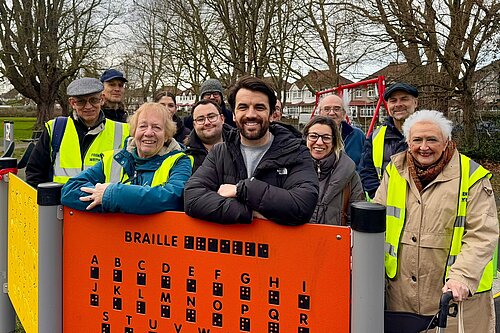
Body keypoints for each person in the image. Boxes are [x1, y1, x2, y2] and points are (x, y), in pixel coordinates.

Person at [374, 110, 498, 332]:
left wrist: (463, 277)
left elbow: (483, 234)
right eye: (417, 140)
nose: (424, 147)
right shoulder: (394, 171)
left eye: (432, 139)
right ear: (407, 142)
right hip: (401, 297)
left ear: (446, 141)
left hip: (455, 299)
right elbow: (376, 218)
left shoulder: (472, 176)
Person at [184, 76, 319, 225]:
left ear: (272, 114)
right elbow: (192, 197)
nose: (250, 114)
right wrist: (248, 212)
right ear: (234, 115)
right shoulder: (220, 153)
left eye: (259, 107)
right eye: (243, 107)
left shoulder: (296, 152)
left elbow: (302, 205)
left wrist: (242, 190)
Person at [61, 102, 192, 214]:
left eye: (157, 127)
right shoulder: (114, 159)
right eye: (143, 126)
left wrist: (112, 196)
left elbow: (174, 197)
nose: (148, 133)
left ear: (167, 135)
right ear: (134, 131)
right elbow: (70, 190)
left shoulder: (180, 161)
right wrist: (119, 204)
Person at [26, 78, 129, 188]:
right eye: (81, 102)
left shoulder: (123, 131)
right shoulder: (55, 128)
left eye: (93, 100)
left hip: (104, 203)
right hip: (60, 204)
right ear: (72, 103)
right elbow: (35, 173)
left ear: (101, 99)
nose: (88, 106)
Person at [359, 82, 418, 198]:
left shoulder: (430, 132)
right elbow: (366, 171)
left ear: (415, 102)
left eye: (404, 99)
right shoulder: (376, 136)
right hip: (386, 206)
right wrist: (379, 196)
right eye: (393, 100)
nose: (398, 104)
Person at [303, 116, 364, 225]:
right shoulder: (292, 170)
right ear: (305, 139)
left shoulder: (349, 175)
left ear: (334, 141)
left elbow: (356, 220)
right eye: (313, 136)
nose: (319, 142)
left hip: (335, 240)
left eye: (326, 137)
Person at [318, 94, 365, 168]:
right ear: (320, 113)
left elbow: (366, 164)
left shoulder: (357, 135)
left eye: (336, 109)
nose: (332, 113)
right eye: (327, 109)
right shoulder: (311, 137)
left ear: (344, 113)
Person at [185, 100, 231, 173]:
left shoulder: (240, 146)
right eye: (200, 119)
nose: (207, 123)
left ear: (222, 119)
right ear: (194, 125)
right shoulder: (186, 158)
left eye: (211, 117)